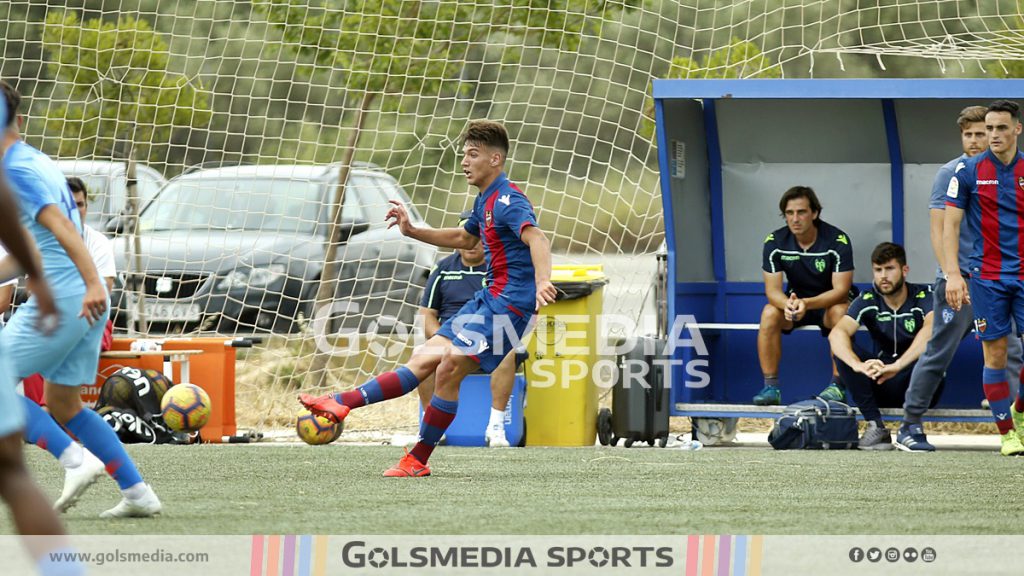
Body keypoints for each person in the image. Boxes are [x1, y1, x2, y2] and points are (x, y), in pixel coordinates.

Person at [301, 120, 556, 477]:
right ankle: (341, 403)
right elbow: (466, 239)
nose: (465, 162)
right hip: (488, 298)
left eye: (473, 154)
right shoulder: (484, 198)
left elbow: (538, 239)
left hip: (510, 305)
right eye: (464, 154)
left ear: (495, 159)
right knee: (424, 357)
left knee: (449, 366)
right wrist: (412, 230)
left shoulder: (509, 200)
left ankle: (417, 458)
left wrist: (543, 280)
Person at [0, 80, 162, 515]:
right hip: (83, 298)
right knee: (64, 403)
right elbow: (35, 249)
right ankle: (138, 494)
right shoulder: (33, 160)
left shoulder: (15, 171)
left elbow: (64, 231)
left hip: (69, 296)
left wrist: (92, 283)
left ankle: (75, 461)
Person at [897, 106, 1024, 452]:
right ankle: (910, 423)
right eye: (968, 134)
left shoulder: (1008, 170)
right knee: (939, 350)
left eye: (980, 133)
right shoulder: (954, 172)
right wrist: (951, 275)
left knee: (1012, 353)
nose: (975, 140)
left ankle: (1012, 429)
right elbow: (941, 230)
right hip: (960, 280)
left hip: (1002, 279)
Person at [0, 82, 84, 575]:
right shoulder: (23, 165)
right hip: (66, 292)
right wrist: (41, 277)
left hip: (67, 291)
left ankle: (77, 459)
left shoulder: (23, 167)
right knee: (12, 473)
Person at [944, 99, 1024, 456]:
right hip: (986, 277)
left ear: (1017, 129)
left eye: (1000, 128)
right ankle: (1007, 434)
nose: (993, 135)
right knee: (995, 355)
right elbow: (950, 225)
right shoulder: (967, 171)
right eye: (988, 128)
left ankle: (1018, 413)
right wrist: (952, 275)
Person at [417, 215, 522, 447]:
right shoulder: (443, 269)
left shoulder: (499, 268)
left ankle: (496, 427)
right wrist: (439, 339)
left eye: (478, 238)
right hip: (450, 336)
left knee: (507, 354)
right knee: (423, 353)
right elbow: (427, 314)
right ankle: (430, 428)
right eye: (468, 238)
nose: (473, 244)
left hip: (488, 336)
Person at [829, 242, 936, 450]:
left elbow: (931, 331)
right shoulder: (868, 299)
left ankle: (911, 427)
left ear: (905, 270)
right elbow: (837, 333)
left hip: (916, 379)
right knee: (842, 351)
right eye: (878, 270)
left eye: (889, 268)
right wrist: (857, 365)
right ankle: (875, 426)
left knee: (932, 353)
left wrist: (898, 366)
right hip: (882, 378)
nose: (883, 276)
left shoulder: (923, 296)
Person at [754, 186, 855, 405]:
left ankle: (838, 386)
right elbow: (772, 292)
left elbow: (841, 291)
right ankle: (771, 388)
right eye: (789, 213)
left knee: (841, 312)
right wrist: (789, 305)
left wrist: (806, 303)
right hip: (797, 306)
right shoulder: (775, 242)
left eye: (801, 212)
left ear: (815, 213)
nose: (795, 219)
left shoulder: (837, 240)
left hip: (829, 304)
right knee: (770, 312)